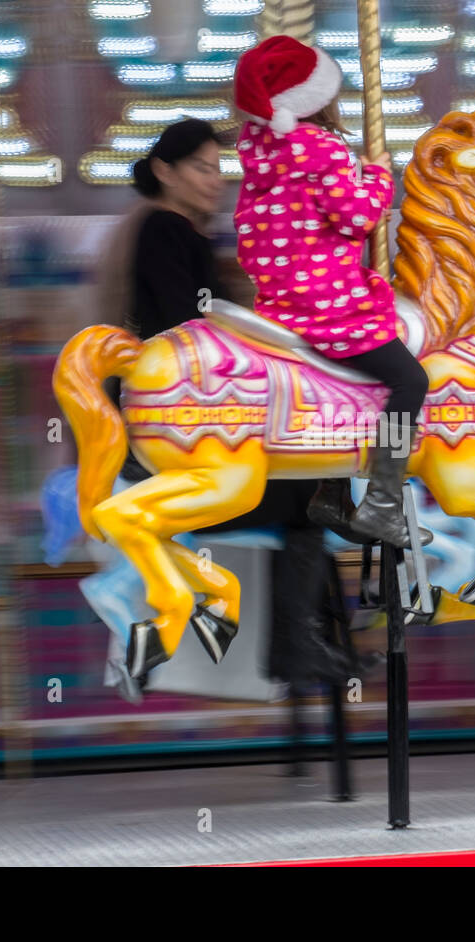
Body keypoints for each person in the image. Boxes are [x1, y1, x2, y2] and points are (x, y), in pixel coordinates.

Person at [94, 117, 353, 686]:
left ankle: (312, 638)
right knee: (314, 495)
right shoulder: (168, 232)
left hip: (186, 413)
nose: (216, 180)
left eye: (220, 169)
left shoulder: (172, 232)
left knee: (314, 478)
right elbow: (190, 327)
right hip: (180, 424)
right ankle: (294, 646)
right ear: (165, 171)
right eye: (202, 168)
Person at [231, 35, 431, 550]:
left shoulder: (258, 152)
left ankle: (331, 491)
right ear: (314, 98)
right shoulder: (320, 149)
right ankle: (384, 502)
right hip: (326, 306)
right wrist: (380, 177)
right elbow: (361, 216)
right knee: (409, 381)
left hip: (280, 306)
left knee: (340, 384)